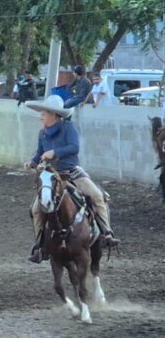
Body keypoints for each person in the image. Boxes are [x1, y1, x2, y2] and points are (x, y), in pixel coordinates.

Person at [23, 95, 119, 263]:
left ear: (53, 115)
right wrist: (33, 161)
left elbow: (74, 147)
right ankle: (39, 245)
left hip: (71, 172)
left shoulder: (69, 128)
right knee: (36, 208)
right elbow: (40, 153)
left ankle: (106, 232)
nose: (41, 116)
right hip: (50, 175)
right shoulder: (42, 133)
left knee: (96, 195)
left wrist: (55, 152)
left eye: (43, 114)